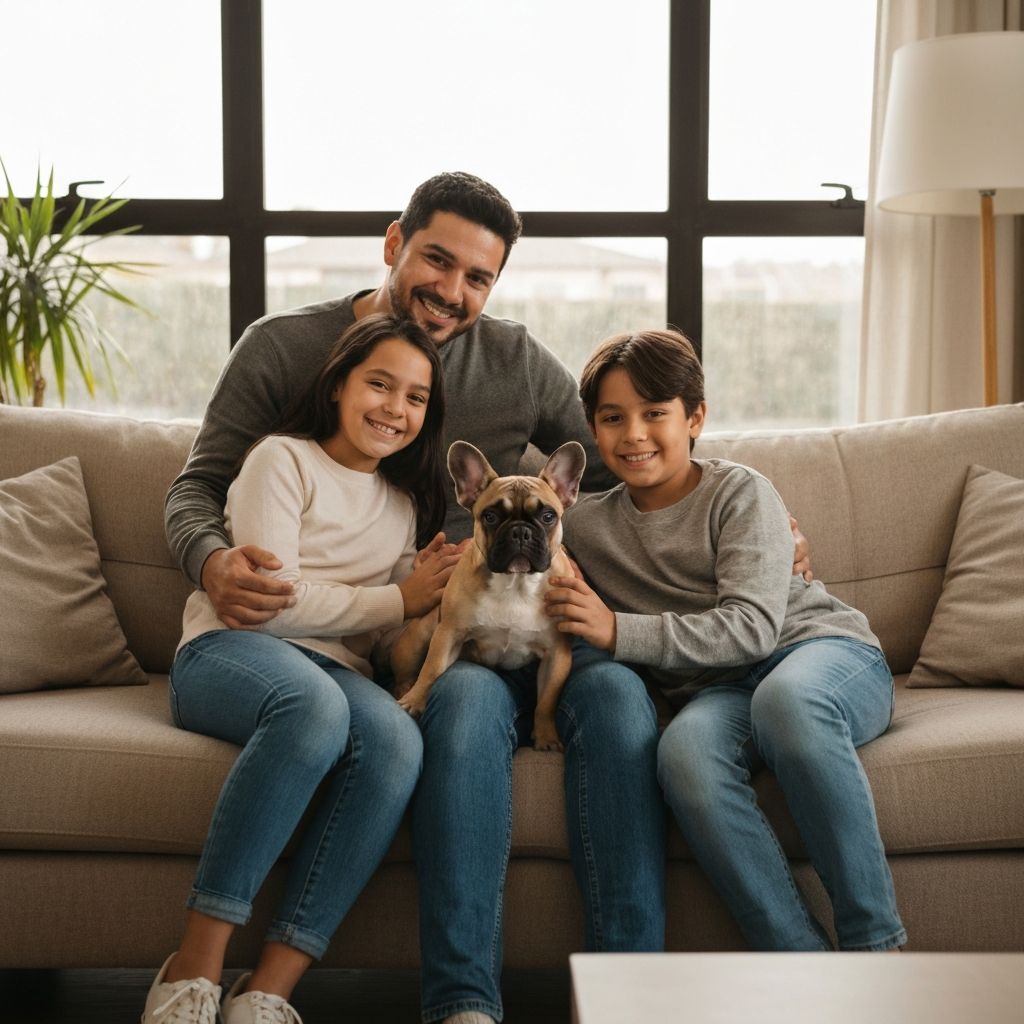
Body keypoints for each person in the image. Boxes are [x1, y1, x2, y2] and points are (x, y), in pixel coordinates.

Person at [164, 172, 808, 1023]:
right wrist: (211, 562)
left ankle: (630, 998)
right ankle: (462, 1002)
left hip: (534, 622)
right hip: (433, 627)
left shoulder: (511, 358)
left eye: (479, 277)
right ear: (395, 243)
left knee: (618, 705)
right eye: (437, 260)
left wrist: (758, 515)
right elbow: (196, 488)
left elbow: (628, 455)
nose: (452, 291)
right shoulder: (284, 348)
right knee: (457, 712)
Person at [546, 328, 906, 953]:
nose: (633, 434)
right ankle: (801, 964)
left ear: (695, 418)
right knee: (681, 755)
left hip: (817, 654)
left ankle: (876, 949)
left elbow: (753, 627)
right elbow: (512, 543)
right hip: (720, 691)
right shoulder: (583, 524)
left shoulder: (739, 491)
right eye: (613, 418)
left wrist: (617, 629)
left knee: (786, 702)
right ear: (592, 429)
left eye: (655, 413)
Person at [144, 315, 458, 1024]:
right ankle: (192, 969)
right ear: (340, 382)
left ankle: (267, 991)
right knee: (313, 708)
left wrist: (427, 594)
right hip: (230, 652)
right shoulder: (280, 459)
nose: (394, 408)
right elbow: (269, 606)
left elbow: (375, 632)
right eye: (379, 384)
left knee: (399, 741)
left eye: (415, 398)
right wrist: (398, 596)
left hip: (335, 670)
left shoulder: (404, 502)